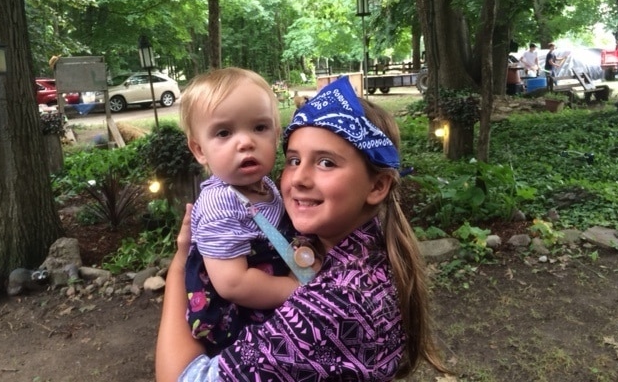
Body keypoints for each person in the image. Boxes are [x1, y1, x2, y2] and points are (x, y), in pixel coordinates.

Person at [156, 76, 448, 381]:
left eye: (326, 163)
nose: (298, 178)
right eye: (294, 160)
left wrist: (179, 267)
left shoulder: (336, 307)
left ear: (376, 186)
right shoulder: (357, 243)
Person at [179, 67, 300, 355]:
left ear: (276, 135)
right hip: (241, 327)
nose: (246, 142)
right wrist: (296, 289)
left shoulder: (264, 185)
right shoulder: (221, 204)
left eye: (260, 127)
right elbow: (233, 283)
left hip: (269, 300)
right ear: (200, 150)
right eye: (224, 132)